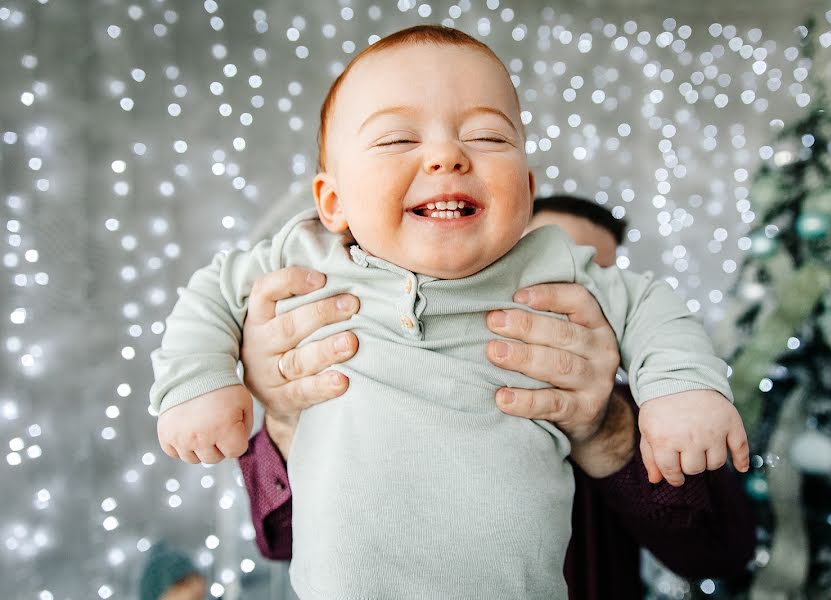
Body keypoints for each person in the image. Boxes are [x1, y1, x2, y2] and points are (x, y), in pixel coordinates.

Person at [149, 26, 748, 598]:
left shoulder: (549, 263)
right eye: (396, 139)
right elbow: (212, 293)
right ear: (334, 201)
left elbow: (648, 306)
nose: (447, 155)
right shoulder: (305, 261)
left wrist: (678, 389)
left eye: (488, 137)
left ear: (525, 193)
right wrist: (206, 385)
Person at [237, 195, 757, 599]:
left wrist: (606, 429)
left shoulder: (651, 410)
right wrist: (285, 419)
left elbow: (721, 551)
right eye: (552, 271)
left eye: (596, 282)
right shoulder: (374, 375)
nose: (574, 299)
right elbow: (281, 540)